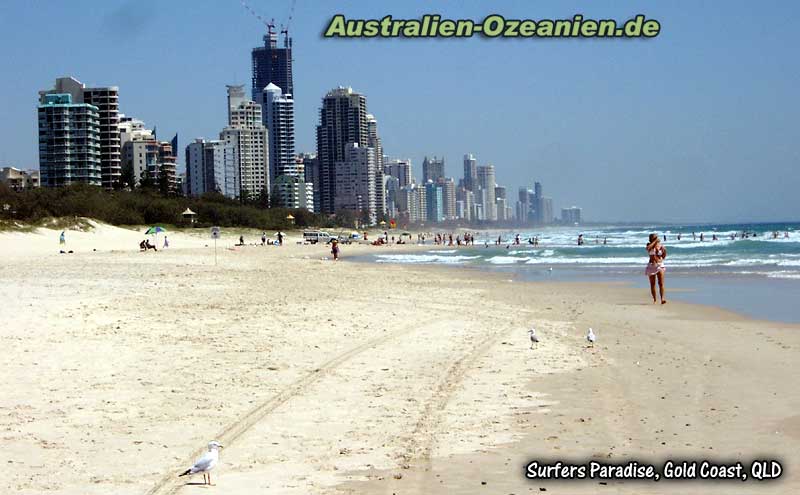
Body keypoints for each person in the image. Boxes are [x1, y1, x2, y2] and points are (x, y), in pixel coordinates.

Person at [645, 233, 667, 304]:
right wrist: (655, 242)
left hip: (660, 265)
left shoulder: (660, 246)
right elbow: (648, 249)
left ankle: (662, 299)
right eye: (654, 238)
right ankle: (654, 299)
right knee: (652, 284)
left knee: (661, 283)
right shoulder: (649, 245)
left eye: (656, 238)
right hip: (651, 265)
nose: (656, 239)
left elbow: (663, 257)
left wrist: (664, 251)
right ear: (651, 239)